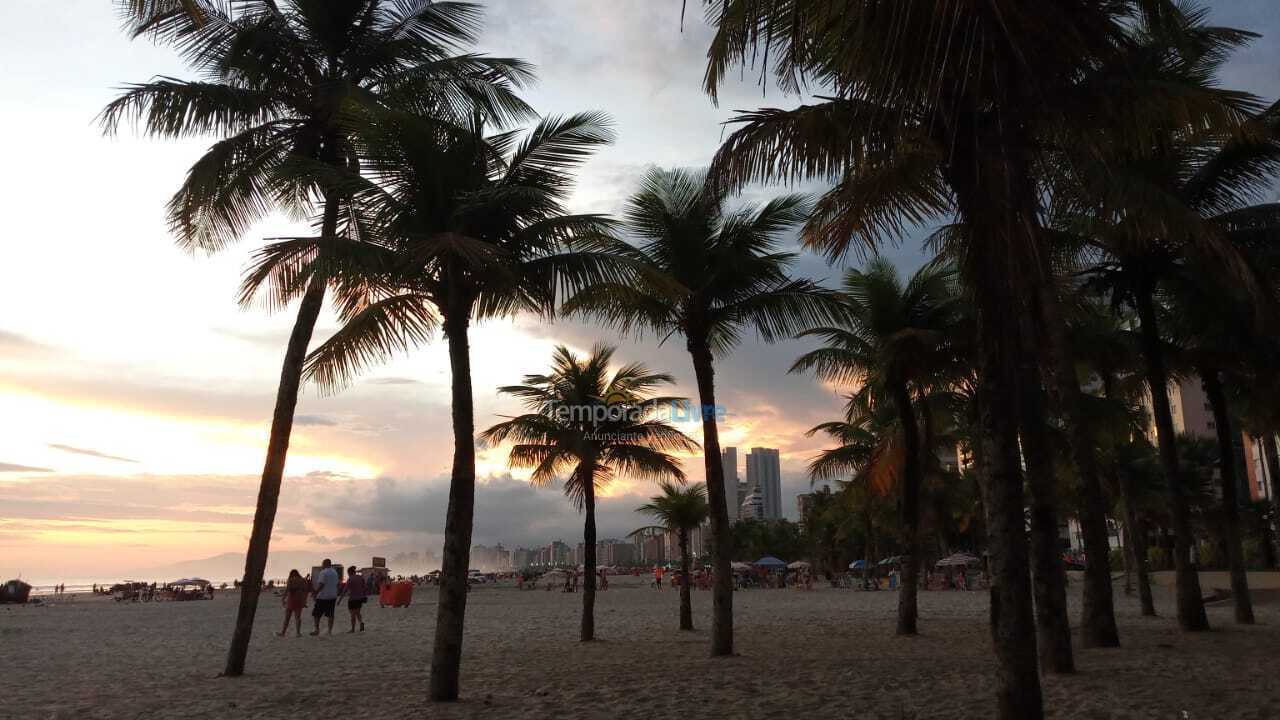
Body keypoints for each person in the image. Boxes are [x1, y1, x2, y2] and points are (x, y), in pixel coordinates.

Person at [311, 559, 339, 636]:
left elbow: (321, 585)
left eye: (322, 564)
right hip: (332, 595)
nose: (322, 565)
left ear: (325, 564)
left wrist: (315, 593)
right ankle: (330, 631)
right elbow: (337, 584)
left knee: (316, 614)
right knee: (330, 614)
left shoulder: (323, 572)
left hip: (323, 596)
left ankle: (317, 629)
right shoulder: (334, 572)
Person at [278, 569, 309, 637]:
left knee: (287, 617)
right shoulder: (303, 580)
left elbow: (287, 590)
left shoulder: (291, 580)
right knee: (298, 617)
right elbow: (306, 591)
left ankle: (283, 632)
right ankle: (298, 633)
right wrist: (304, 600)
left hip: (292, 599)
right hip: (300, 599)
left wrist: (283, 599)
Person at [342, 566, 367, 633]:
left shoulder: (350, 579)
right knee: (357, 612)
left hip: (352, 598)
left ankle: (353, 629)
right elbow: (364, 587)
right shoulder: (360, 577)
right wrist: (364, 596)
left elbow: (345, 590)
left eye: (348, 573)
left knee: (352, 614)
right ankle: (361, 622)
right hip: (360, 598)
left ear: (350, 572)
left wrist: (340, 599)